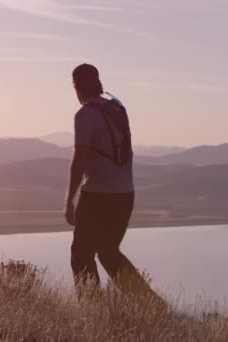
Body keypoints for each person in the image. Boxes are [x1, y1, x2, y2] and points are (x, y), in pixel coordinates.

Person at [64, 64, 163, 304]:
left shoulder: (85, 115)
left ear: (77, 87)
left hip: (98, 195)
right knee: (108, 253)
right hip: (124, 195)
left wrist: (69, 201)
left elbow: (80, 159)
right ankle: (152, 306)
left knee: (81, 254)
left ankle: (93, 311)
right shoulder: (116, 108)